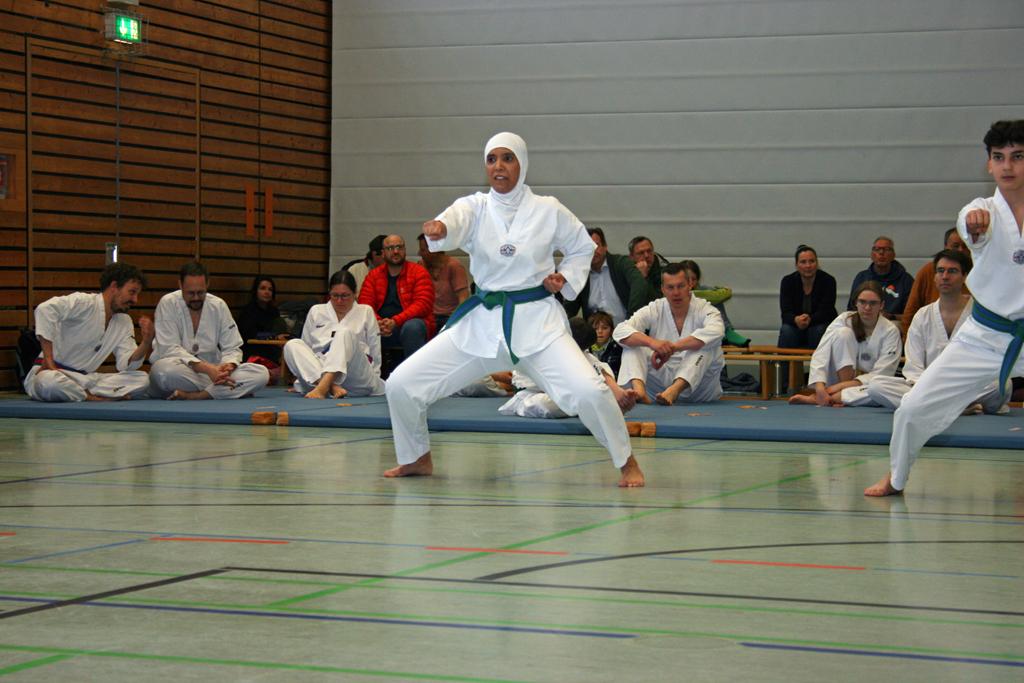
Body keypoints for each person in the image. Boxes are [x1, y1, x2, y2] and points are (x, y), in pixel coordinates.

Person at [383, 132, 645, 487]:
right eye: (492, 159)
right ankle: (415, 457)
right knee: (401, 383)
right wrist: (440, 229)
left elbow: (583, 247)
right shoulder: (476, 206)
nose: (499, 166)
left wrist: (565, 278)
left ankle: (626, 460)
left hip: (537, 323)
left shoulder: (548, 209)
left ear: (522, 163)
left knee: (588, 390)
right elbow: (455, 221)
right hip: (480, 325)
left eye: (507, 158)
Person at [866, 120, 1024, 497]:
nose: (1007, 166)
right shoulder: (982, 211)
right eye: (999, 157)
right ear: (988, 164)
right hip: (985, 337)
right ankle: (896, 477)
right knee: (912, 407)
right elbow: (972, 225)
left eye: (1018, 157)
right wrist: (974, 227)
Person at [867, 249, 1006, 413]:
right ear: (934, 277)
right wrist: (932, 389)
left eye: (952, 271)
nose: (945, 276)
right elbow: (914, 367)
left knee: (1002, 386)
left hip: (968, 388)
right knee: (876, 386)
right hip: (928, 387)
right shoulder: (923, 316)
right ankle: (958, 407)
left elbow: (989, 363)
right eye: (940, 271)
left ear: (965, 277)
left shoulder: (981, 316)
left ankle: (939, 406)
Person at [23, 262, 153, 402]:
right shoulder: (83, 302)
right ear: (114, 286)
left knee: (143, 380)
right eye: (132, 292)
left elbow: (126, 364)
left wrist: (146, 342)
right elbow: (45, 309)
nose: (135, 300)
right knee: (49, 383)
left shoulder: (124, 321)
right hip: (52, 373)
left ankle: (80, 393)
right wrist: (48, 360)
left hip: (85, 379)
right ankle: (91, 397)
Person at [149, 261, 269, 400]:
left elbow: (232, 347)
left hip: (214, 372)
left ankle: (199, 395)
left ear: (207, 284)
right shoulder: (168, 303)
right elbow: (169, 349)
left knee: (261, 374)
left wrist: (227, 366)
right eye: (190, 293)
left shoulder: (218, 305)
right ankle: (226, 390)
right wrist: (208, 370)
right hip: (183, 371)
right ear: (180, 285)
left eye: (200, 293)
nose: (196, 298)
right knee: (163, 372)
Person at [614, 262, 725, 405]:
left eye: (681, 286)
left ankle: (675, 390)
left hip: (699, 390)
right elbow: (620, 331)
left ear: (690, 284)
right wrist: (653, 343)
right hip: (660, 384)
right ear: (663, 289)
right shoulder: (655, 308)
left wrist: (673, 347)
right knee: (633, 344)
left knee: (707, 345)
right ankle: (639, 392)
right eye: (670, 287)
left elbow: (717, 331)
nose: (676, 292)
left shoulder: (705, 309)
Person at [789, 281, 901, 407]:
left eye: (873, 303)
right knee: (843, 333)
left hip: (865, 385)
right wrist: (820, 387)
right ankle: (832, 396)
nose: (867, 307)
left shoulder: (890, 331)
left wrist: (841, 387)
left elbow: (882, 374)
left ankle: (826, 398)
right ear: (856, 303)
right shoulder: (844, 320)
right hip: (836, 382)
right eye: (862, 302)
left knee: (876, 390)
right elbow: (822, 352)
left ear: (882, 305)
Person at [500, 318, 638, 418]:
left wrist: (618, 392)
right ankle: (598, 407)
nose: (581, 352)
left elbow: (598, 369)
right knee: (550, 406)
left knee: (585, 393)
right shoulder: (541, 345)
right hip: (529, 395)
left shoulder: (580, 353)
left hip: (563, 394)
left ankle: (604, 404)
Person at [282, 269, 385, 399]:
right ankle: (330, 386)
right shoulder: (316, 311)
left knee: (343, 332)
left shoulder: (366, 311)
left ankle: (324, 386)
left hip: (356, 377)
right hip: (318, 373)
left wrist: (374, 380)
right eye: (335, 296)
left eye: (345, 296)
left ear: (355, 293)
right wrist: (302, 378)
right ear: (329, 293)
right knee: (292, 344)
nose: (339, 301)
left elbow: (375, 352)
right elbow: (306, 348)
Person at [357, 234, 436, 361]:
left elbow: (423, 304)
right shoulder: (373, 276)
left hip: (408, 325)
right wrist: (378, 323)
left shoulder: (419, 272)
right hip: (381, 327)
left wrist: (395, 321)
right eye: (390, 248)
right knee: (358, 326)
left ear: (405, 250)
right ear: (383, 253)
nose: (395, 251)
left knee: (412, 327)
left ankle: (415, 371)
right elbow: (365, 305)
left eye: (399, 247)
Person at [561, 227, 653, 325]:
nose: (592, 251)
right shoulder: (581, 274)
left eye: (596, 245)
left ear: (605, 247)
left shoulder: (621, 263)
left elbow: (639, 285)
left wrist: (631, 320)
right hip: (595, 333)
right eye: (587, 247)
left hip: (626, 329)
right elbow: (570, 307)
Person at [900, 228, 972, 335]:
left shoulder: (980, 274)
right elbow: (910, 312)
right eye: (955, 246)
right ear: (946, 247)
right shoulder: (928, 271)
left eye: (965, 246)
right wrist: (907, 339)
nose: (961, 250)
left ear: (964, 276)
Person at [777, 245, 838, 349]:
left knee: (818, 330)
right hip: (796, 326)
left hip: (820, 323)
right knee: (787, 330)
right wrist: (796, 319)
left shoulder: (828, 281)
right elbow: (786, 313)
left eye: (812, 261)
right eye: (803, 262)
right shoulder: (787, 281)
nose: (808, 265)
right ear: (796, 265)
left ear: (817, 263)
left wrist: (810, 319)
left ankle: (818, 360)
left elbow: (826, 311)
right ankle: (785, 360)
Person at [680, 259, 751, 347]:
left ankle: (725, 331)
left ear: (698, 280)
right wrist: (720, 292)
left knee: (711, 297)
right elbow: (716, 295)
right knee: (711, 297)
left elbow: (720, 294)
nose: (690, 282)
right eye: (687, 279)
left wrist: (718, 291)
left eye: (694, 279)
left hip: (705, 326)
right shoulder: (677, 292)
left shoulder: (703, 290)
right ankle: (726, 332)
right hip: (687, 329)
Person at [846, 236, 914, 320]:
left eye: (887, 249)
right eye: (877, 249)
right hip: (864, 321)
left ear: (893, 255)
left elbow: (911, 315)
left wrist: (891, 316)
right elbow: (851, 310)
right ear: (872, 255)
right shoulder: (862, 277)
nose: (881, 252)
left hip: (894, 322)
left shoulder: (906, 280)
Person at [237, 275, 289, 384]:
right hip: (253, 351)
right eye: (263, 288)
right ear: (255, 291)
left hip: (271, 351)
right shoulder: (248, 311)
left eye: (270, 289)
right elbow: (249, 335)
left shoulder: (274, 311)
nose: (267, 292)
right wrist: (273, 337)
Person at [416, 232, 469, 329]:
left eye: (423, 250)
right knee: (414, 327)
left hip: (449, 317)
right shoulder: (421, 265)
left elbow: (463, 298)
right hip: (429, 317)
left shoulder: (454, 266)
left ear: (434, 250)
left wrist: (456, 321)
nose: (419, 253)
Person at [628, 235, 668, 299]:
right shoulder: (626, 269)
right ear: (631, 257)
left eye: (649, 251)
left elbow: (657, 300)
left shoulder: (665, 270)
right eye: (641, 253)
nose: (646, 255)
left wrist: (644, 278)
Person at [588, 310, 622, 377]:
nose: (600, 331)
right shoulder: (585, 348)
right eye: (595, 328)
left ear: (611, 330)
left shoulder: (618, 349)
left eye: (604, 328)